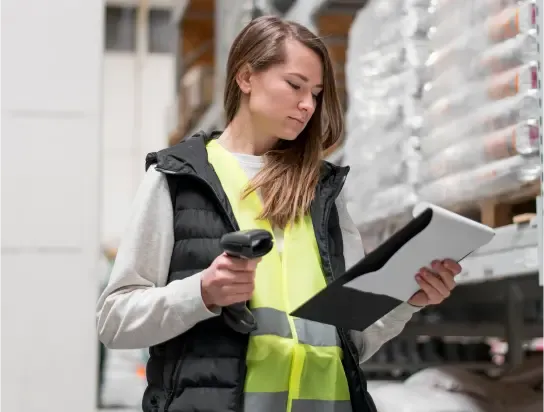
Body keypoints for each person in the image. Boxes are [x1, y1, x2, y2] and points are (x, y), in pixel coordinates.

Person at [96, 15, 462, 412]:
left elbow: (353, 343)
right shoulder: (178, 179)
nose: (308, 104)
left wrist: (408, 299)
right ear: (246, 77)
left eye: (317, 93)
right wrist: (201, 292)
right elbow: (114, 321)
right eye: (294, 85)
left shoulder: (323, 192)